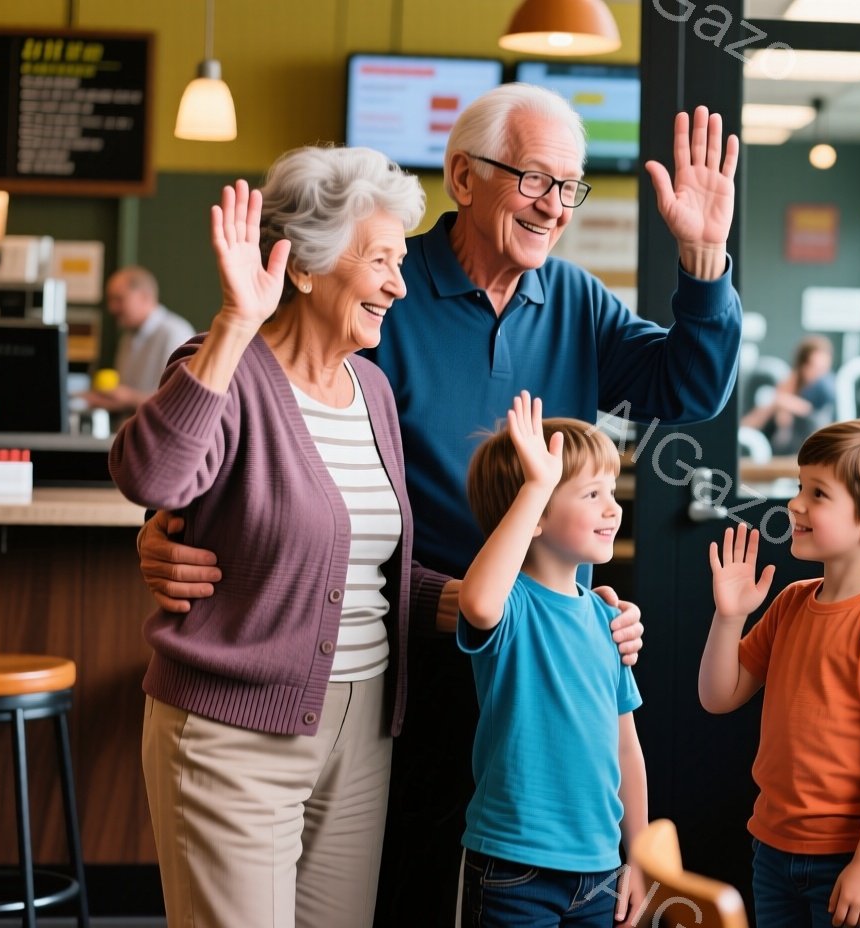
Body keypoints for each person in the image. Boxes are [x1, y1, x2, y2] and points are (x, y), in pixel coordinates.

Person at [133, 83, 744, 925]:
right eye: (534, 180)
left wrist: (705, 259)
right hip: (405, 662)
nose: (554, 205)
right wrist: (173, 527)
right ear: (463, 177)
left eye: (570, 187)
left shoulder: (571, 302)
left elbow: (693, 385)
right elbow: (242, 438)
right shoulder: (377, 290)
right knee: (409, 888)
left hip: (519, 657)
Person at [108, 149, 449, 927]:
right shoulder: (221, 367)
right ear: (305, 268)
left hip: (362, 733)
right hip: (233, 733)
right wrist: (235, 321)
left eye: (402, 261)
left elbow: (368, 572)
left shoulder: (373, 389)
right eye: (382, 261)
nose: (399, 284)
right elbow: (151, 479)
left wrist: (499, 603)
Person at [700, 420, 860, 928]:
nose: (795, 505)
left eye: (818, 493)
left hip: (853, 856)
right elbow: (719, 696)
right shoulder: (791, 602)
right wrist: (729, 617)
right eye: (798, 488)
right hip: (772, 848)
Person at [455, 394, 647, 927]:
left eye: (611, 491)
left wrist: (640, 858)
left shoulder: (609, 619)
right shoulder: (509, 603)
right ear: (533, 514)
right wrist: (538, 485)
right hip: (512, 869)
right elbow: (477, 603)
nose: (613, 507)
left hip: (601, 872)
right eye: (592, 494)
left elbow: (626, 748)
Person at [87, 265, 195, 412]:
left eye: (119, 299)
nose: (112, 308)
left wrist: (129, 398)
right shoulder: (127, 337)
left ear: (145, 297)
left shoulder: (175, 332)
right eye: (110, 300)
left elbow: (180, 400)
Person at [741, 334, 836, 455]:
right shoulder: (785, 387)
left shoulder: (825, 391)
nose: (819, 374)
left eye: (824, 368)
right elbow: (750, 423)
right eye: (815, 367)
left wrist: (784, 402)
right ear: (802, 366)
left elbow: (813, 415)